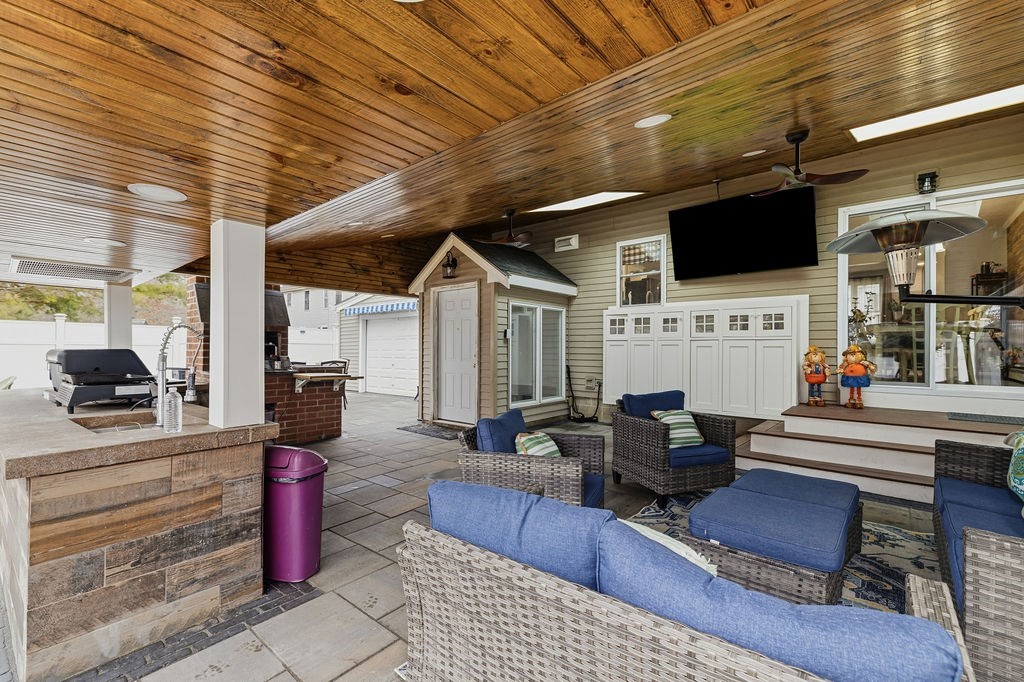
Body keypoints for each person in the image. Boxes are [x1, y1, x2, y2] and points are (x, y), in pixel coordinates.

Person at [838, 344, 877, 409]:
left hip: (860, 377)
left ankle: (859, 399)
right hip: (850, 377)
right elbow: (842, 367)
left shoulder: (863, 362)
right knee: (851, 388)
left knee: (859, 388)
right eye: (850, 354)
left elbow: (870, 366)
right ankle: (851, 399)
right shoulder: (846, 363)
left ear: (861, 355)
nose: (853, 355)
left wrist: (871, 367)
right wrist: (840, 370)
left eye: (855, 354)